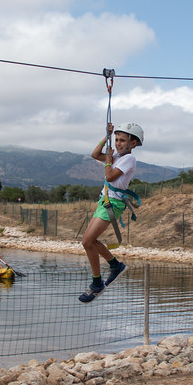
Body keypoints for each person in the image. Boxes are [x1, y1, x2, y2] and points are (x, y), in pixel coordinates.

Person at [79, 122, 143, 303]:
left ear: (133, 143)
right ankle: (115, 266)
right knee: (89, 241)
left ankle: (97, 283)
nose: (118, 143)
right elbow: (94, 154)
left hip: (113, 203)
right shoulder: (116, 156)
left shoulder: (129, 159)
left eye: (122, 140)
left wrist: (108, 159)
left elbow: (110, 176)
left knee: (87, 241)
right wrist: (106, 136)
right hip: (105, 201)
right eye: (116, 139)